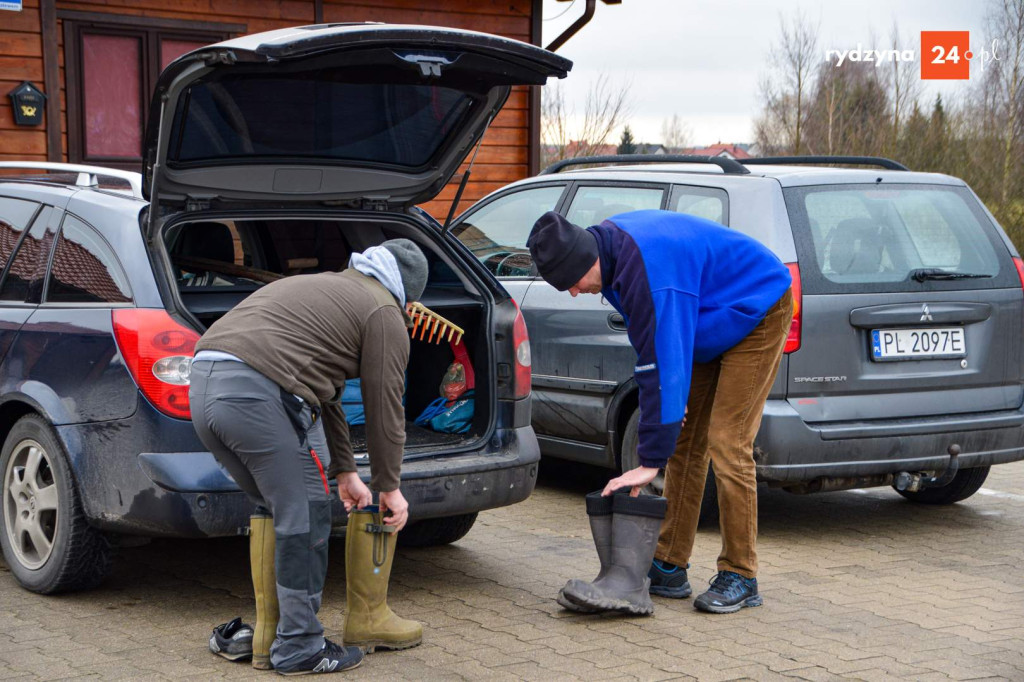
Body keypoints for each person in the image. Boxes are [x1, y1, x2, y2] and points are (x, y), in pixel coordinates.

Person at [527, 210, 793, 614]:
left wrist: (649, 461)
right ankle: (668, 563)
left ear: (585, 261)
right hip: (705, 319)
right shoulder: (613, 259)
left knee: (727, 439)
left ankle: (741, 572)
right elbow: (650, 352)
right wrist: (668, 408)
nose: (575, 294)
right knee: (685, 441)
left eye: (572, 284)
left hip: (755, 307)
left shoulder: (646, 269)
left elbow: (661, 358)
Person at [190, 239, 427, 674]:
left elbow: (326, 394)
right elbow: (384, 406)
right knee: (308, 514)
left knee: (276, 504)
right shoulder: (384, 313)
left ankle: (267, 638)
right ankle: (299, 645)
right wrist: (389, 487)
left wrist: (344, 472)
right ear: (408, 298)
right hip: (257, 392)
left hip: (204, 385)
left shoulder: (334, 290)